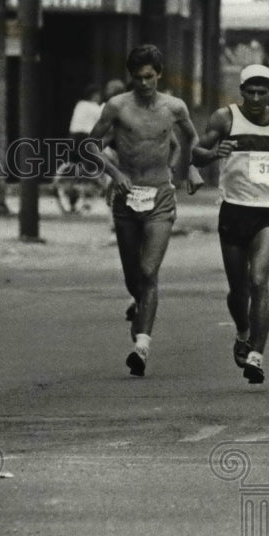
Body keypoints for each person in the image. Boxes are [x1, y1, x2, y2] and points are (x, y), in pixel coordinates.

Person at [88, 44, 200, 377]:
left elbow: (191, 140)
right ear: (130, 77)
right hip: (126, 196)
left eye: (149, 77)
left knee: (149, 271)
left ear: (159, 75)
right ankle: (139, 303)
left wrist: (191, 168)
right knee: (133, 276)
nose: (144, 84)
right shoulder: (117, 106)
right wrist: (114, 173)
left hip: (160, 198)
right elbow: (88, 145)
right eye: (137, 78)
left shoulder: (174, 107)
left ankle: (142, 345)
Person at [192, 64, 269, 385]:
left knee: (258, 279)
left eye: (262, 91)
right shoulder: (225, 118)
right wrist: (214, 154)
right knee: (238, 291)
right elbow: (196, 153)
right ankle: (243, 332)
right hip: (234, 210)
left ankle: (256, 356)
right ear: (241, 92)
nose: (255, 97)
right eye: (249, 91)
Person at [53, 83, 103, 213]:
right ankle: (89, 188)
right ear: (94, 95)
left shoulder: (79, 105)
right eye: (98, 95)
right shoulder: (93, 107)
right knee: (93, 166)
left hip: (73, 137)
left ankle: (69, 183)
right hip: (85, 137)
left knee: (74, 162)